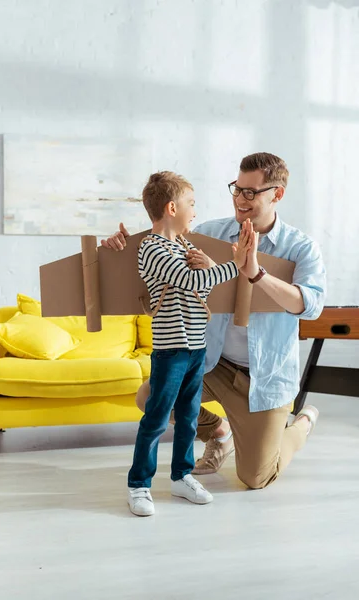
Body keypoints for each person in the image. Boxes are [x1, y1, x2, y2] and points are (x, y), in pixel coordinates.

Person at [102, 152, 326, 491]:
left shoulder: (300, 248)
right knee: (150, 396)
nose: (240, 198)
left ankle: (303, 423)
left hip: (263, 378)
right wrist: (121, 247)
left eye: (251, 192)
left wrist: (256, 273)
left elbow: (310, 306)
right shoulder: (208, 233)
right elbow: (162, 242)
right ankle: (219, 434)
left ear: (276, 194)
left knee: (255, 477)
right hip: (213, 363)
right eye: (237, 189)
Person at [126, 171, 253, 516]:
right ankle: (139, 484)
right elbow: (190, 279)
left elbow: (202, 286)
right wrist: (237, 265)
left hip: (197, 347)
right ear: (171, 208)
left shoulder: (184, 245)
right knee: (155, 417)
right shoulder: (152, 248)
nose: (195, 211)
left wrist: (213, 267)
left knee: (188, 417)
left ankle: (181, 476)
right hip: (171, 350)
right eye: (191, 204)